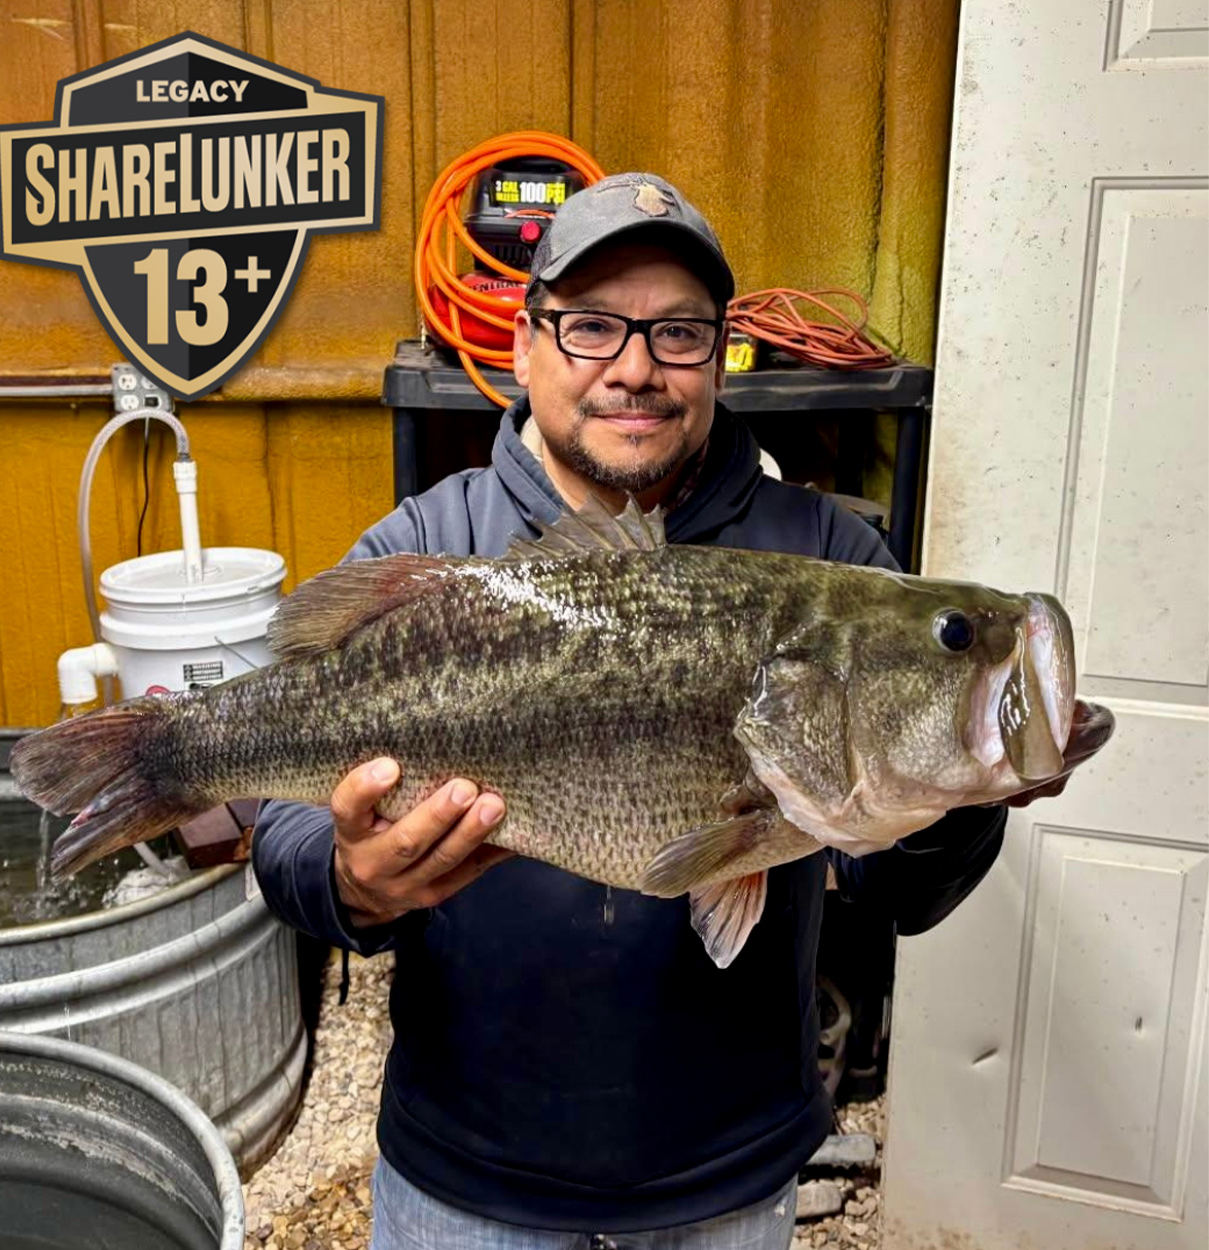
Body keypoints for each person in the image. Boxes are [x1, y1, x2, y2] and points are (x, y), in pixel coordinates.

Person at [252, 173, 1112, 1250]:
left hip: (725, 1182)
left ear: (716, 356)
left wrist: (964, 786)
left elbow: (900, 888)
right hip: (462, 1180)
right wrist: (349, 880)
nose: (633, 366)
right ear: (523, 347)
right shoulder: (427, 552)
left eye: (676, 333)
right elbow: (277, 827)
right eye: (591, 326)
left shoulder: (830, 556)